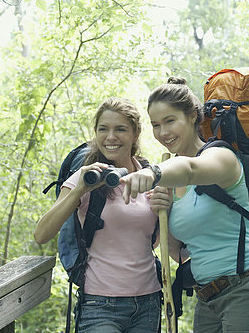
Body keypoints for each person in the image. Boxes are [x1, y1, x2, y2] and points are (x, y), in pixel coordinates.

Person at [119, 78, 249, 333]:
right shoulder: (169, 179)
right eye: (155, 125)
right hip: (207, 299)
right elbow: (180, 251)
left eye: (170, 121)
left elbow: (190, 169)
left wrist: (152, 173)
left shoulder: (220, 156)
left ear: (192, 117)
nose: (163, 132)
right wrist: (163, 213)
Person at [34, 97, 161, 333]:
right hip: (99, 305)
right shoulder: (84, 177)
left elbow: (152, 239)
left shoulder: (149, 177)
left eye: (120, 129)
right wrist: (80, 190)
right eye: (103, 129)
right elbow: (42, 234)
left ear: (135, 134)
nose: (110, 136)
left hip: (148, 301)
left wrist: (166, 206)